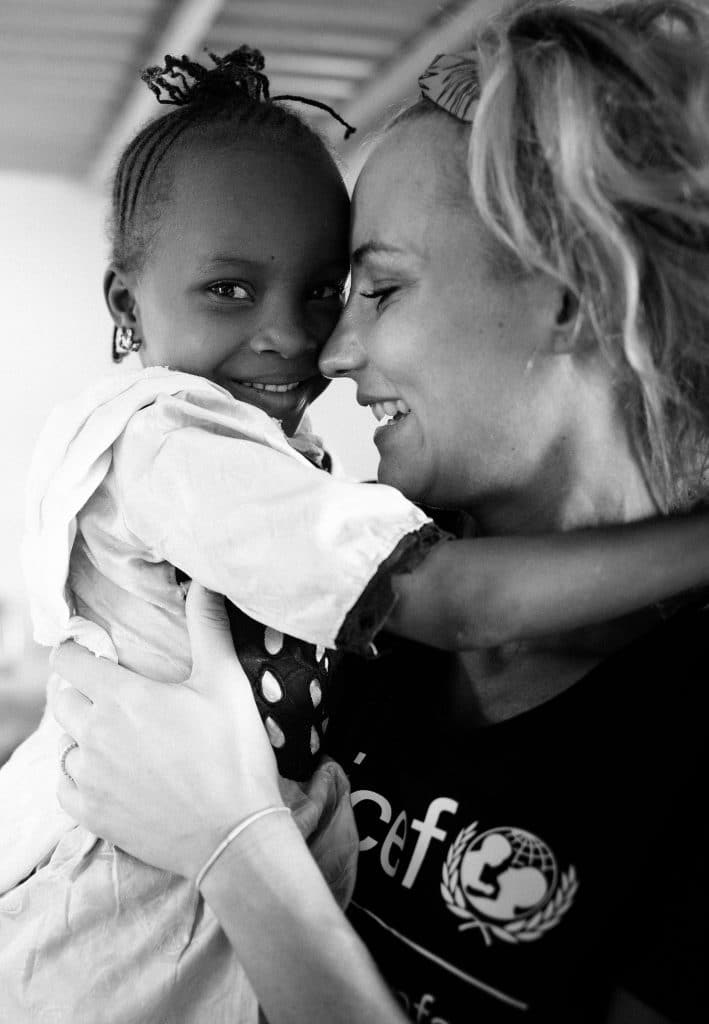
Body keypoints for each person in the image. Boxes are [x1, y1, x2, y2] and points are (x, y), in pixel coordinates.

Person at [46, 1, 708, 1022]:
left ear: (570, 296)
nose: (330, 351)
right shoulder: (357, 625)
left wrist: (240, 852)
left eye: (370, 289)